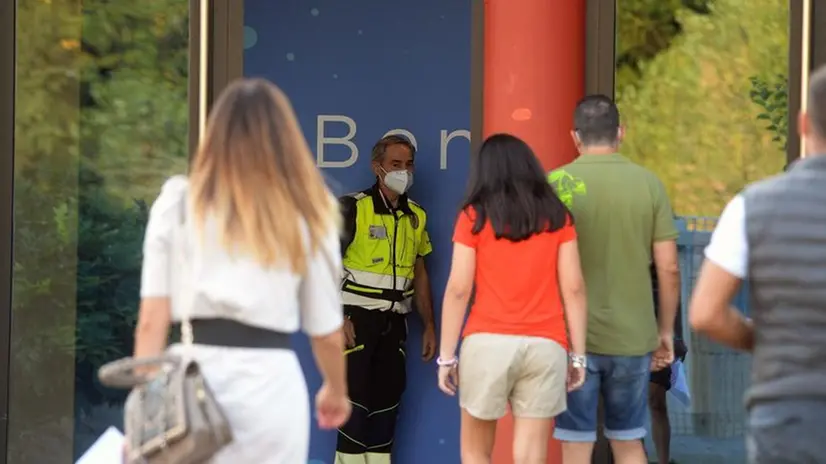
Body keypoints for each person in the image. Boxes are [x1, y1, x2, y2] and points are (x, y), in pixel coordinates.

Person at [133, 78, 351, 463]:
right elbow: (327, 334)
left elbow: (152, 320)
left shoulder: (179, 202)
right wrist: (335, 389)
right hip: (271, 386)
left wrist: (146, 410)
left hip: (191, 382)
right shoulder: (307, 210)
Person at [689, 65, 826, 464]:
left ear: (803, 123)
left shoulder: (752, 205)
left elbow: (705, 313)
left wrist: (760, 339)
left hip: (786, 413)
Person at [437, 133, 588, 464]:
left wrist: (446, 358)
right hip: (546, 344)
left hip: (487, 342)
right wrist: (578, 356)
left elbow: (459, 289)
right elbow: (574, 288)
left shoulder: (473, 217)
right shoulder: (558, 216)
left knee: (476, 450)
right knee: (530, 454)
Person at [549, 94, 681, 464]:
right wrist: (665, 331)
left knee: (575, 442)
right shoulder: (649, 184)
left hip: (572, 336)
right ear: (621, 133)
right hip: (633, 336)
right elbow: (669, 268)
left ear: (575, 136)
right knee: (627, 440)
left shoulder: (555, 184)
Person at [335, 134, 437, 464]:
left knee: (386, 408)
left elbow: (420, 274)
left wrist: (430, 326)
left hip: (395, 324)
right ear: (377, 167)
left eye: (408, 165)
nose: (403, 172)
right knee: (353, 408)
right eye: (396, 164)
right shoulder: (353, 207)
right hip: (357, 321)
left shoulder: (416, 216)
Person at [648, 264, 687, 464]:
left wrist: (676, 338)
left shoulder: (663, 262)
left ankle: (663, 459)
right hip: (628, 331)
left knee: (656, 401)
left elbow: (672, 281)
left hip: (660, 336)